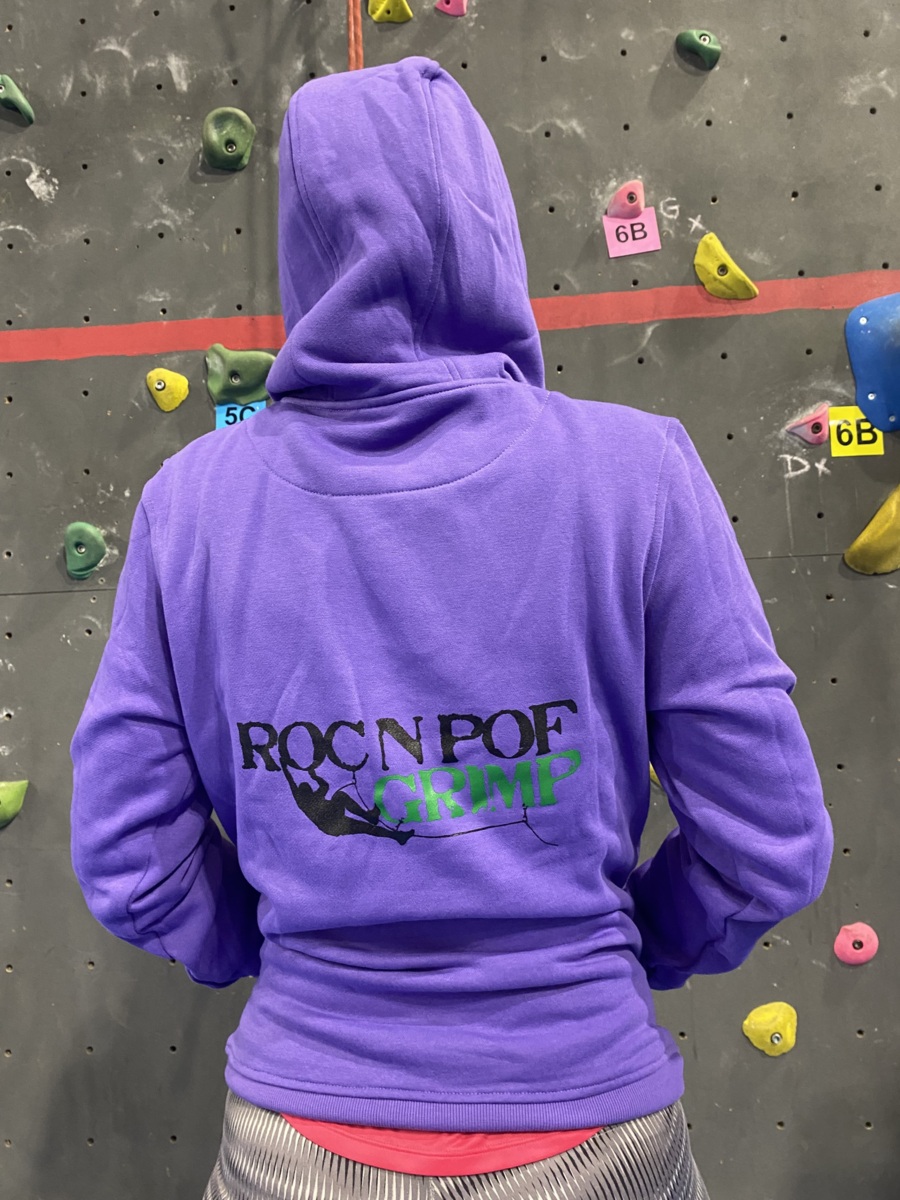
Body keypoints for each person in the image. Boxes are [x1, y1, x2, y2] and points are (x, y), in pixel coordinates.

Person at [69, 55, 833, 1200]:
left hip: (302, 1132)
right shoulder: (634, 472)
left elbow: (130, 858)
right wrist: (630, 948)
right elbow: (770, 842)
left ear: (304, 245)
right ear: (488, 224)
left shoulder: (194, 504)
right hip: (593, 1127)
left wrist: (279, 958)